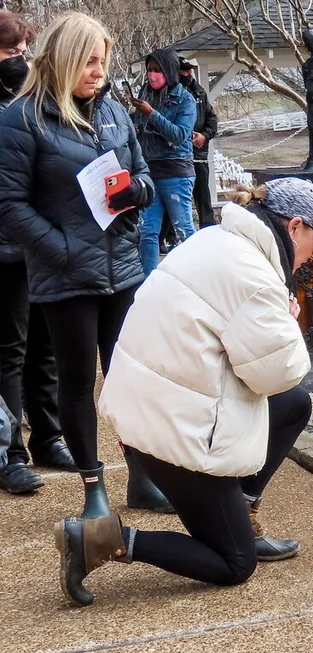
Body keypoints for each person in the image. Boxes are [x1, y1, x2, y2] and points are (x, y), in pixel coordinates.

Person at [55, 177, 313, 607]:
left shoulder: (216, 239)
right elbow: (278, 373)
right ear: (295, 227)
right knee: (234, 563)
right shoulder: (254, 276)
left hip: (151, 410)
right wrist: (289, 319)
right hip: (172, 436)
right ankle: (102, 540)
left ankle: (241, 514)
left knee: (292, 407)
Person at [0, 12, 172, 516]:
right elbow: (9, 204)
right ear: (64, 57)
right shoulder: (21, 119)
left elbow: (141, 172)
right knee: (76, 383)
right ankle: (94, 490)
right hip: (67, 274)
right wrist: (61, 249)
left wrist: (137, 192)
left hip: (121, 265)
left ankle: (141, 479)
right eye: (90, 61)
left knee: (128, 378)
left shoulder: (114, 112)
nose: (99, 71)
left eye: (103, 60)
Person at [0, 10, 77, 496]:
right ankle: (10, 452)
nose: (21, 60)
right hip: (7, 246)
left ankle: (49, 436)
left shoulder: (31, 102)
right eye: (12, 51)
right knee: (9, 349)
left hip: (40, 244)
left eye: (25, 50)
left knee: (45, 346)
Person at [131, 47, 197, 275]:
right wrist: (134, 127)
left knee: (183, 228)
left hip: (176, 171)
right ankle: (148, 283)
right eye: (149, 70)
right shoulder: (145, 95)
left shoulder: (185, 100)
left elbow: (179, 135)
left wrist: (152, 114)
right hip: (149, 171)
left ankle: (196, 276)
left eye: (158, 70)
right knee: (147, 231)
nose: (152, 75)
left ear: (169, 71)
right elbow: (139, 126)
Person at [179, 57, 219, 227]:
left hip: (200, 151)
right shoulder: (169, 92)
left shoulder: (199, 92)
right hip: (179, 153)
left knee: (203, 192)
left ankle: (208, 225)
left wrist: (203, 136)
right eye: (185, 70)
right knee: (179, 195)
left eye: (190, 70)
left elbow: (212, 120)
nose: (189, 73)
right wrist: (187, 137)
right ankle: (171, 234)